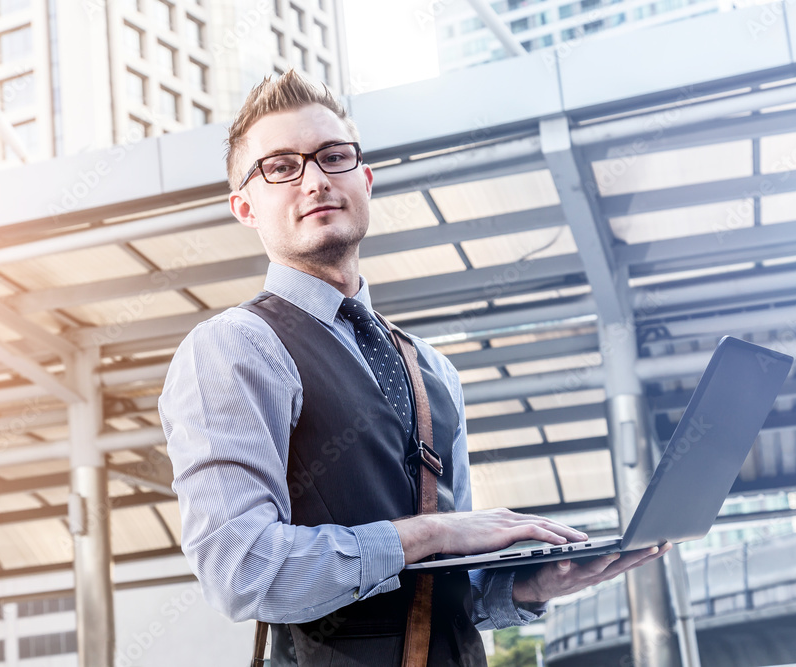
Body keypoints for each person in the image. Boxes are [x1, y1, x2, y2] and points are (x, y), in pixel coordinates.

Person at [158, 70, 670, 666]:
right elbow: (240, 570)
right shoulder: (234, 346)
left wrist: (530, 586)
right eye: (280, 167)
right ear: (245, 207)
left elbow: (445, 587)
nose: (316, 180)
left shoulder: (432, 368)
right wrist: (436, 534)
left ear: (365, 180)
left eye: (334, 156)